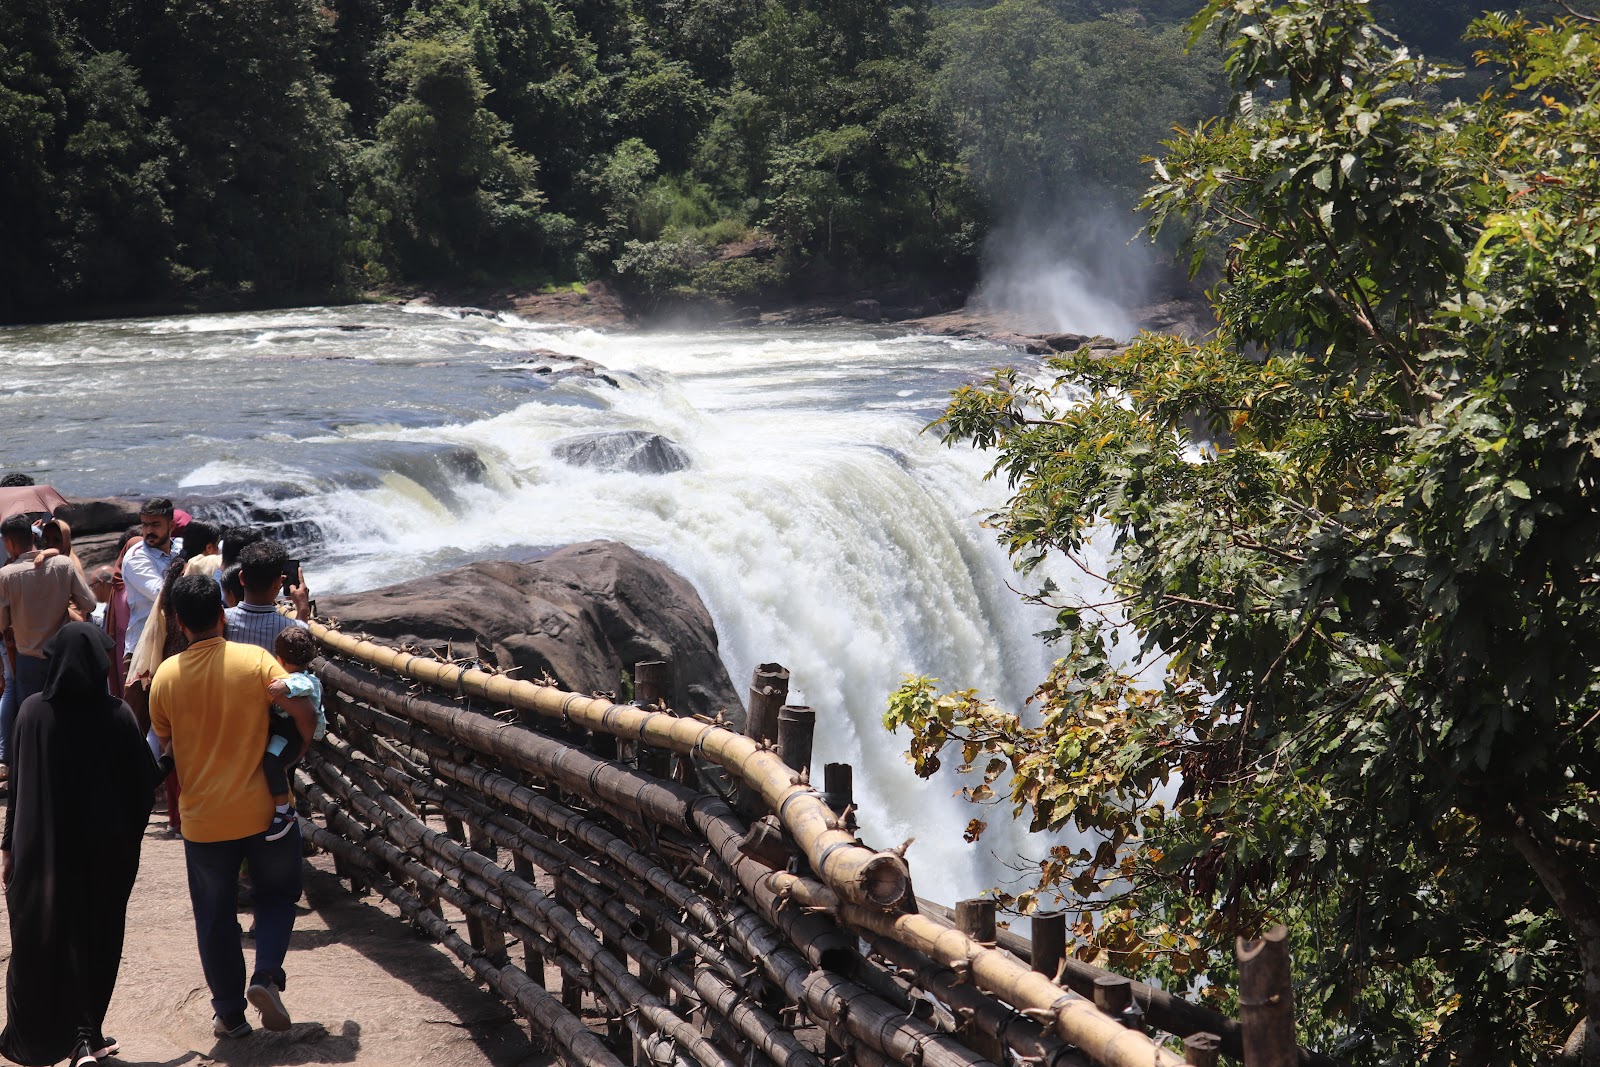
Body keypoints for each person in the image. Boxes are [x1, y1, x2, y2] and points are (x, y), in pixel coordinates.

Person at [150, 575, 316, 1039]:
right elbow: (300, 704)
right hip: (266, 808)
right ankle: (265, 976)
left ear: (180, 622)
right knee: (278, 895)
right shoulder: (256, 661)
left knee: (215, 914)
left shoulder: (166, 675)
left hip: (204, 818)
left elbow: (165, 741)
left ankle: (229, 1013)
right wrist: (299, 746)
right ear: (223, 613)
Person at [0, 623, 158, 1067]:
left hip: (42, 856)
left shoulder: (31, 712)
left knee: (41, 943)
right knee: (96, 939)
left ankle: (51, 1040)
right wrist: (126, 838)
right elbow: (142, 787)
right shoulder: (117, 715)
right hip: (102, 857)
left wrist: (9, 846)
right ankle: (85, 1034)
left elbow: (18, 787)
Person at [0, 514, 97, 757]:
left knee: (33, 723)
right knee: (68, 718)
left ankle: (38, 776)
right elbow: (90, 604)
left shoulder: (6, 575)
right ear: (34, 537)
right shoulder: (63, 565)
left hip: (27, 660)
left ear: (9, 543)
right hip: (63, 656)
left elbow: (1, 623)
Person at [122, 499, 182, 731]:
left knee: (173, 724)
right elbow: (163, 594)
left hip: (176, 646)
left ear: (171, 525)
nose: (148, 531)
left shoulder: (180, 549)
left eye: (155, 524)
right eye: (145, 525)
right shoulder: (136, 558)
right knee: (138, 725)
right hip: (142, 651)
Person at [261, 627, 325, 842]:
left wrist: (284, 685)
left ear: (279, 658)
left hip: (292, 733)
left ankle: (283, 810)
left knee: (272, 762)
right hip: (288, 731)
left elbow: (302, 684)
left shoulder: (304, 681)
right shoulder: (304, 677)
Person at [225, 540, 310, 652]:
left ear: (241, 577)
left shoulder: (221, 620)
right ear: (278, 583)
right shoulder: (289, 628)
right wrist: (303, 608)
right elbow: (300, 648)